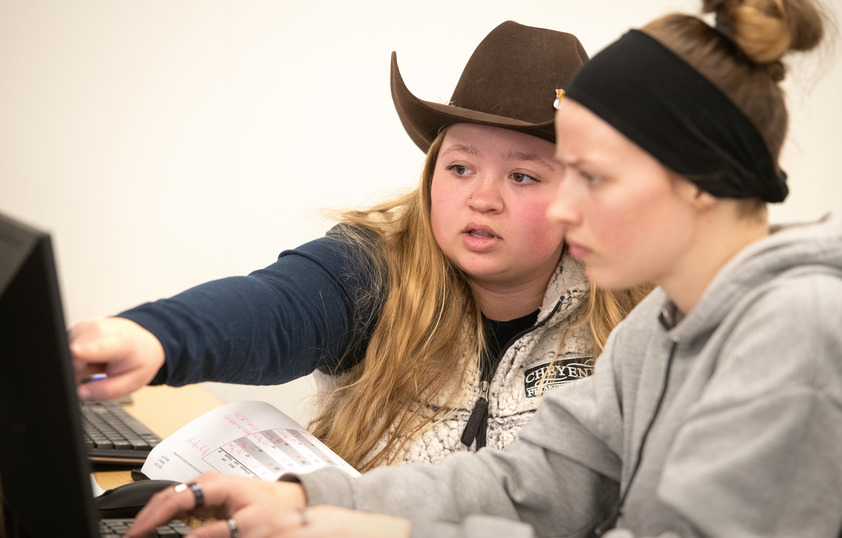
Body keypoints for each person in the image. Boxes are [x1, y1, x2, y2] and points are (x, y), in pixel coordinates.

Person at [125, 0, 842, 537]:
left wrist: (382, 532)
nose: (562, 211)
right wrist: (308, 501)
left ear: (698, 176)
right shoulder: (657, 330)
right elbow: (540, 484)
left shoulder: (795, 330)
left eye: (590, 177)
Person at [71, 20, 649, 472]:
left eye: (522, 177)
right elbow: (275, 308)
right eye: (460, 167)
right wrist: (153, 336)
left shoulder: (635, 310)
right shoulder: (373, 266)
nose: (482, 199)